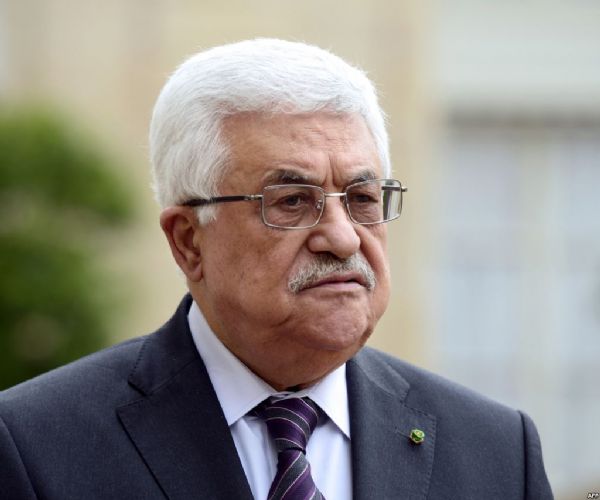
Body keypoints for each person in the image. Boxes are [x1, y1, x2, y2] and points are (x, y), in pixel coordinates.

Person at [0, 39, 552, 499]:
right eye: (291, 201)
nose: (343, 237)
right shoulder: (35, 447)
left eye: (362, 198)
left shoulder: (498, 453)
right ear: (189, 242)